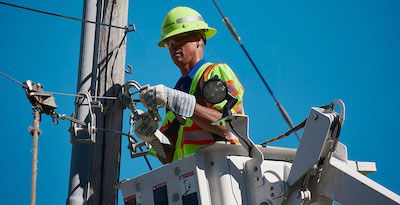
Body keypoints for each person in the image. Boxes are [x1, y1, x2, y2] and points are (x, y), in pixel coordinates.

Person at [135, 6, 245, 164]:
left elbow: (230, 127)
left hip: (221, 170)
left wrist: (180, 102)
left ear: (199, 40)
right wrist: (152, 137)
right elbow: (170, 157)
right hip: (190, 179)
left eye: (179, 38)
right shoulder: (176, 92)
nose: (174, 46)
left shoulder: (213, 73)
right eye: (169, 42)